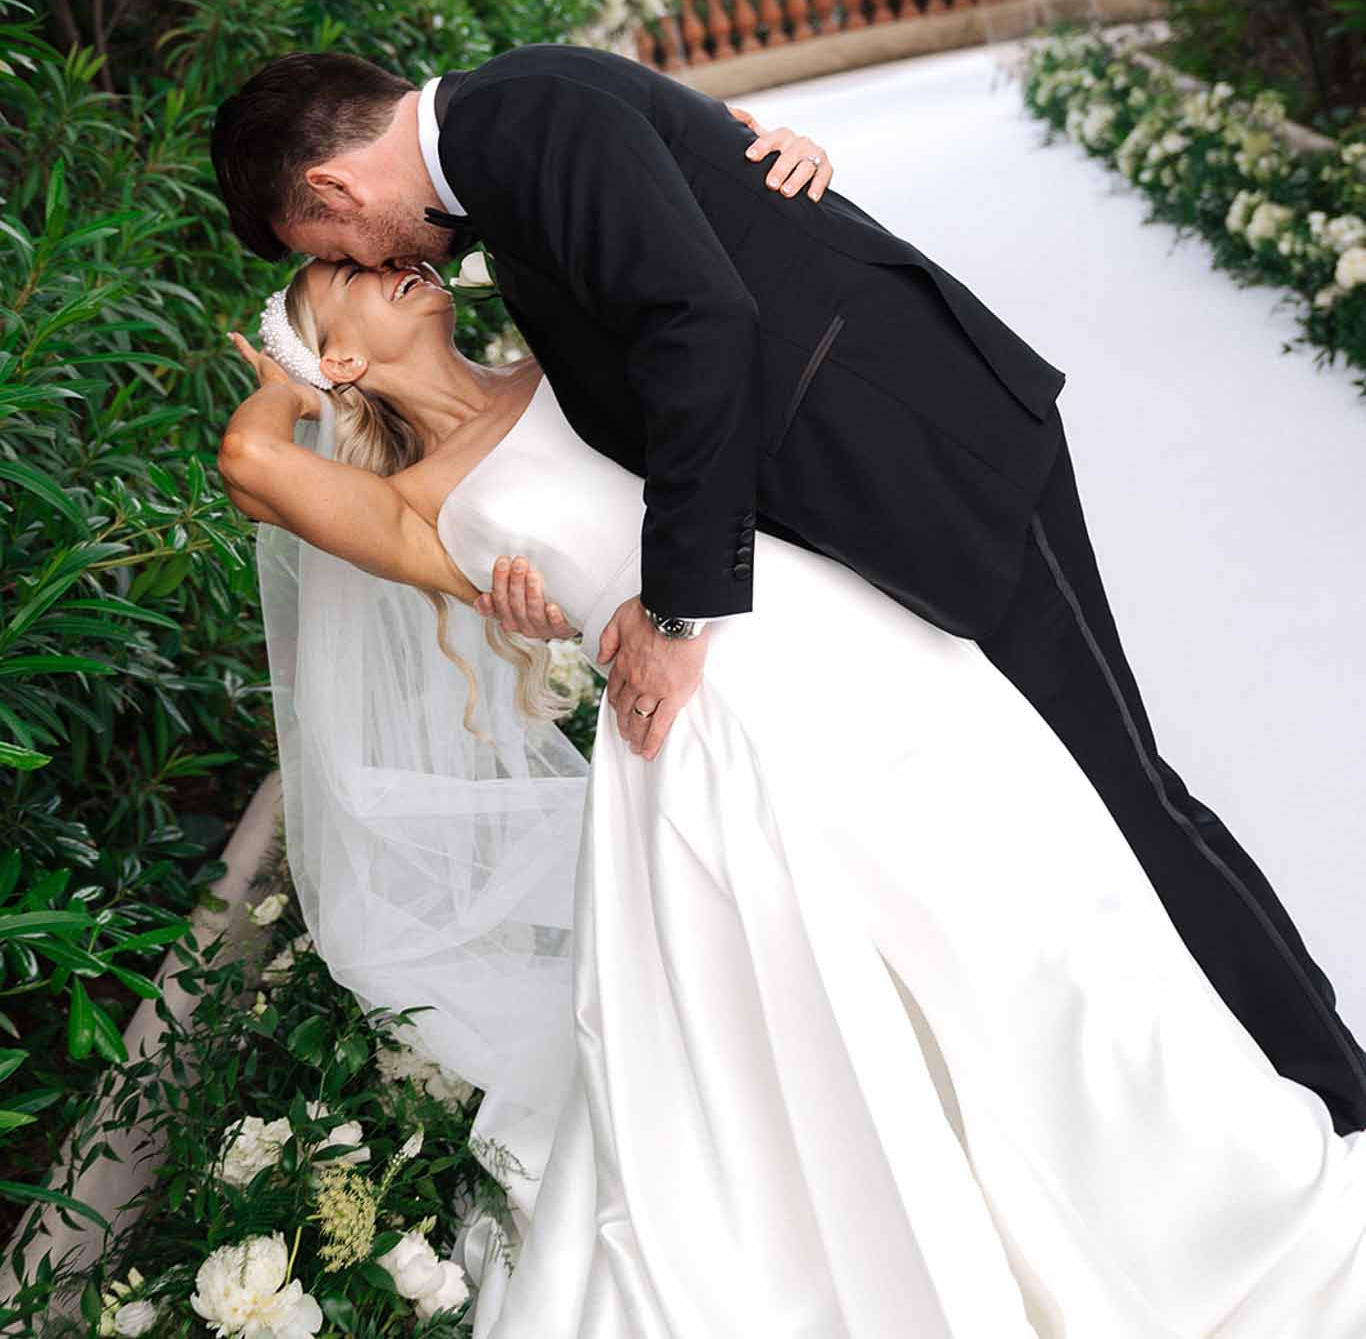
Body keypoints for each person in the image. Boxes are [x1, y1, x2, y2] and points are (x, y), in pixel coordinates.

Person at [211, 42, 1366, 1136]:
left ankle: (1324, 1084)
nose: (367, 262)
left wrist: (673, 610)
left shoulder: (517, 125)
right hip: (842, 532)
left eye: (327, 238)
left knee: (1116, 788)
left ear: (328, 184)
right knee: (1023, 835)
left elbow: (698, 318)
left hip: (930, 461)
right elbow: (686, 247)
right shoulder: (505, 147)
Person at [219, 257, 1366, 1337]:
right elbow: (254, 466)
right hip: (712, 738)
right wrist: (283, 383)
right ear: (346, 360)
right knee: (836, 1025)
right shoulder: (417, 507)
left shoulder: (564, 356)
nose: (389, 265)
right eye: (348, 281)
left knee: (1036, 920)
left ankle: (1197, 1202)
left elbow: (711, 332)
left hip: (842, 635)